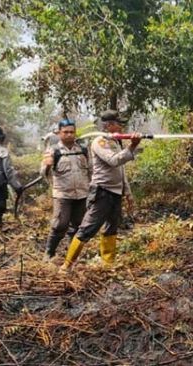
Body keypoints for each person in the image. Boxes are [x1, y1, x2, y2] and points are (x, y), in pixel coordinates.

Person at [60, 110, 141, 271]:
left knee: (111, 227)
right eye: (119, 123)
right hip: (102, 191)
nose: (122, 126)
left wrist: (128, 193)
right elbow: (113, 161)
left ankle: (108, 264)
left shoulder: (116, 142)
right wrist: (132, 146)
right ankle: (66, 266)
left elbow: (121, 172)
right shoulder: (99, 142)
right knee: (88, 228)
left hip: (116, 192)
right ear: (109, 125)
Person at [40, 119, 92, 261]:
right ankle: (49, 253)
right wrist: (48, 165)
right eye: (66, 132)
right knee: (59, 224)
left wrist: (93, 189)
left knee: (78, 226)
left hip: (82, 193)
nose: (69, 135)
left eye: (72, 132)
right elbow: (43, 173)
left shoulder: (83, 149)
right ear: (59, 133)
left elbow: (91, 170)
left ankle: (73, 254)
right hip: (63, 194)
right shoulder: (53, 151)